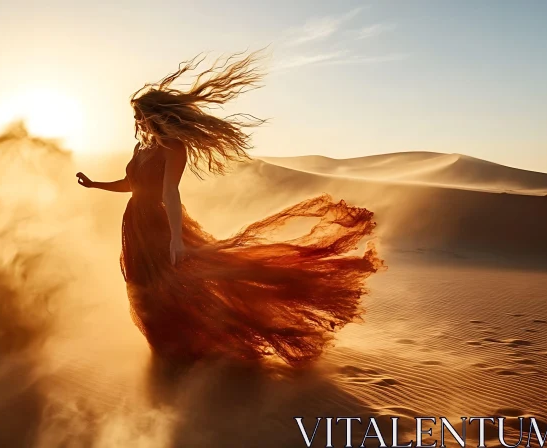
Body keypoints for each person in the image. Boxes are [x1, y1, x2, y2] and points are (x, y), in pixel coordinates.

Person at [76, 51, 383, 367]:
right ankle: (170, 350)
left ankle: (191, 349)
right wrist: (95, 184)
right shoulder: (142, 147)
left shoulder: (173, 147)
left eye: (140, 114)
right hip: (133, 224)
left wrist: (176, 239)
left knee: (171, 285)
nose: (137, 121)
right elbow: (131, 183)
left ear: (155, 113)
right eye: (136, 116)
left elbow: (170, 191)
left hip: (158, 222)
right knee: (139, 285)